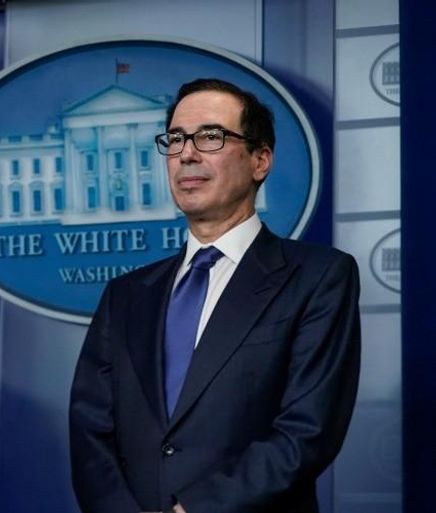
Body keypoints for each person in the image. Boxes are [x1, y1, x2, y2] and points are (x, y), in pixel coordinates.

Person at [69, 78, 360, 513]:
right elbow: (90, 431)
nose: (187, 153)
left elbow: (307, 430)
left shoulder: (318, 278)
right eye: (175, 139)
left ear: (260, 160)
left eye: (210, 136)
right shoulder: (126, 294)